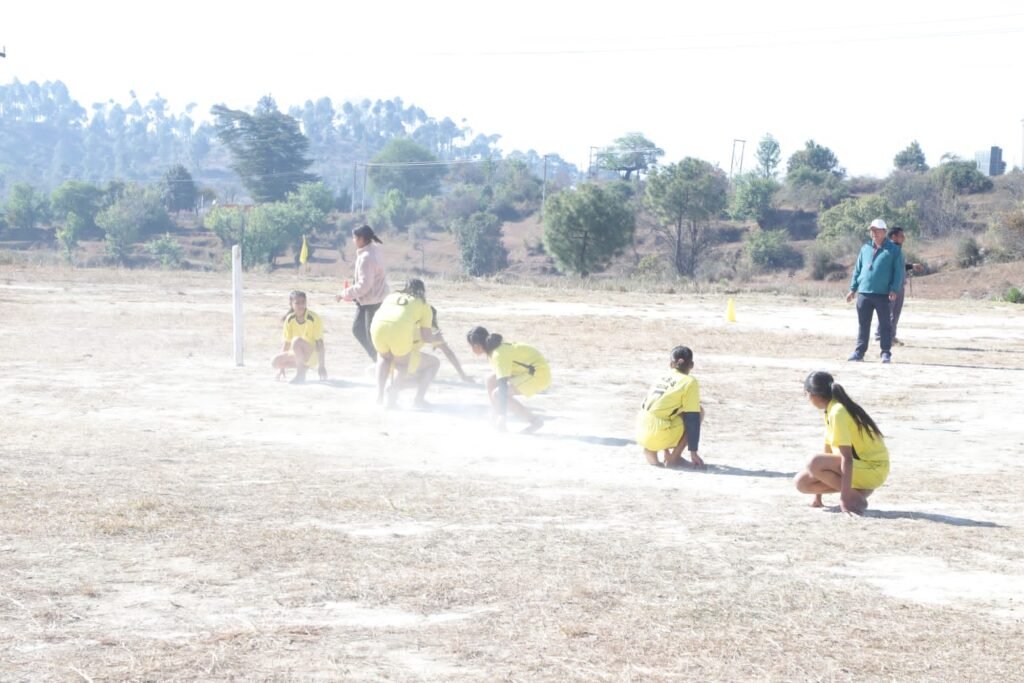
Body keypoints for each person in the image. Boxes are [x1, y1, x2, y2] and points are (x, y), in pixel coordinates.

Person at [794, 371, 890, 515]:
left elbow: (847, 458)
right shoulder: (830, 410)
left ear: (813, 394)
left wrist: (844, 499)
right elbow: (827, 451)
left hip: (872, 469)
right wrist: (817, 498)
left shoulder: (838, 412)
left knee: (813, 462)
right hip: (859, 468)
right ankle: (858, 493)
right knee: (801, 482)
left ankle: (852, 498)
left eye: (806, 394)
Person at [466, 326, 550, 433]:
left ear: (477, 345)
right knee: (490, 380)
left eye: (471, 346)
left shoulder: (498, 354)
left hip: (538, 374)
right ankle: (494, 417)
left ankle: (535, 421)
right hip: (526, 371)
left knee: (498, 394)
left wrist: (503, 416)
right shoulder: (494, 351)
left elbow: (502, 384)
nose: (471, 349)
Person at [369, 278, 438, 408]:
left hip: (377, 327)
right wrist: (436, 338)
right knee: (402, 365)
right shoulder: (423, 305)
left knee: (383, 358)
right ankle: (392, 397)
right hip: (399, 330)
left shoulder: (392, 296)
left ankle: (379, 395)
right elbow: (427, 337)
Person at [846, 218, 905, 363]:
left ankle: (885, 353)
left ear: (884, 231)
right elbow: (858, 269)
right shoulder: (865, 248)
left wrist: (894, 289)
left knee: (885, 325)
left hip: (883, 294)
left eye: (877, 230)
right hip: (864, 293)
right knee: (863, 324)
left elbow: (898, 272)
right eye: (872, 230)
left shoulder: (894, 250)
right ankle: (859, 352)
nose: (874, 233)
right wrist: (853, 289)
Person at [635, 346, 705, 469]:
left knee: (666, 413)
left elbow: (661, 408)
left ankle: (651, 450)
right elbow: (693, 418)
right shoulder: (689, 381)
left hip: (640, 431)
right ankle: (674, 458)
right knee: (698, 412)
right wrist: (693, 452)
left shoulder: (662, 376)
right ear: (692, 365)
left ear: (670, 364)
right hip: (657, 433)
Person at [336, 225, 389, 362]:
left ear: (361, 239)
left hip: (372, 301)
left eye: (354, 238)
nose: (353, 240)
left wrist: (344, 294)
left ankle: (382, 362)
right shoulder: (374, 249)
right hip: (370, 299)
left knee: (371, 336)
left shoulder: (367, 257)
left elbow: (364, 285)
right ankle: (379, 361)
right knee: (358, 330)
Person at [874, 226, 924, 346]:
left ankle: (891, 337)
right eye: (901, 236)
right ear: (893, 237)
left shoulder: (897, 249)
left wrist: (911, 266)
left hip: (899, 286)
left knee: (895, 313)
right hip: (891, 287)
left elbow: (899, 266)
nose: (904, 238)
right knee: (887, 312)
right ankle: (880, 337)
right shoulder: (888, 249)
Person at [270, 290, 327, 384]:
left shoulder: (314, 318)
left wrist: (322, 366)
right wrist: (281, 369)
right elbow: (286, 343)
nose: (301, 305)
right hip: (298, 354)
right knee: (275, 362)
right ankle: (304, 367)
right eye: (297, 303)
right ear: (291, 304)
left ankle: (300, 374)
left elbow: (320, 343)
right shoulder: (289, 319)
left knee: (296, 341)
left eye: (303, 302)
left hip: (312, 354)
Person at [415, 306, 475, 384]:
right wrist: (462, 375)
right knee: (434, 363)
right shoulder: (431, 332)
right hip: (405, 358)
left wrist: (462, 375)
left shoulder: (411, 323)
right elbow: (448, 353)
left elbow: (448, 352)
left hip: (402, 356)